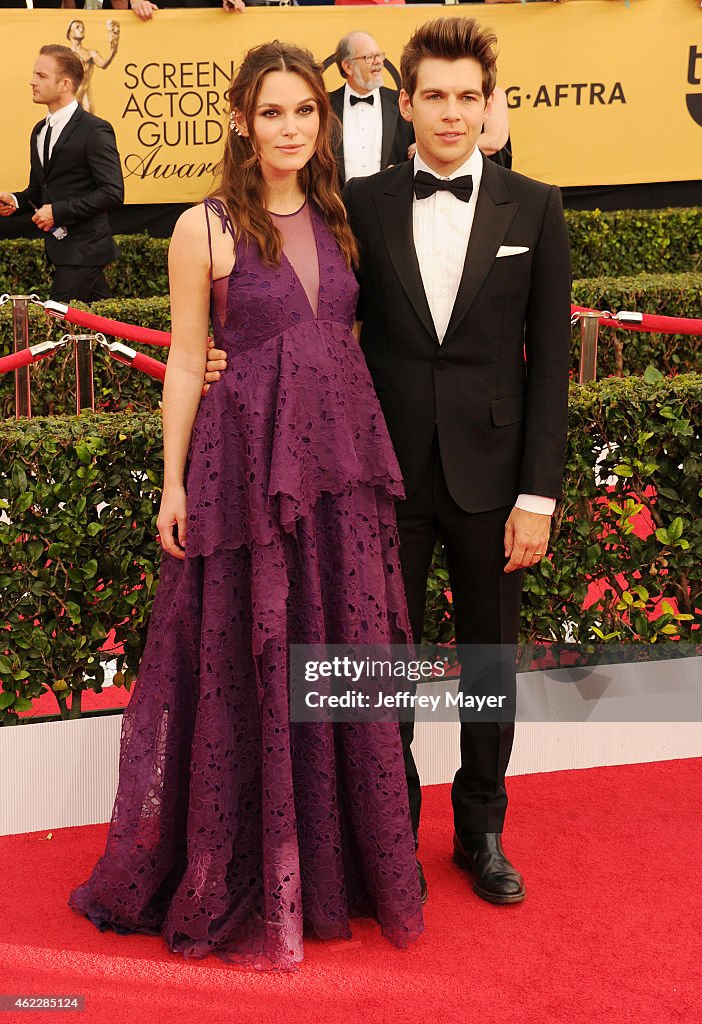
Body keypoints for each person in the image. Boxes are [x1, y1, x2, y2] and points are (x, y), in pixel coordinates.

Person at [68, 40, 424, 971]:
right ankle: (248, 869)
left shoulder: (343, 221)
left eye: (304, 111)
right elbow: (188, 358)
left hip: (340, 472)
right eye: (273, 112)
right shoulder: (205, 227)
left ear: (324, 117)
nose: (291, 128)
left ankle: (333, 865)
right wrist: (174, 481)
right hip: (245, 472)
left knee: (339, 646)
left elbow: (340, 341)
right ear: (240, 119)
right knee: (248, 653)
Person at [207, 17, 571, 907]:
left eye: (468, 97)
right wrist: (227, 354)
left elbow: (552, 360)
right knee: (382, 668)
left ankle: (481, 832)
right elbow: (297, 300)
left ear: (490, 106)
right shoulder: (356, 204)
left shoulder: (538, 204)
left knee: (488, 666)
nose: (452, 113)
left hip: (494, 482)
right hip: (378, 477)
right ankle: (389, 836)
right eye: (434, 96)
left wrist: (539, 496)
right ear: (401, 103)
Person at [0, 45, 123, 304]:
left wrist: (57, 212)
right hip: (64, 251)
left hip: (85, 250)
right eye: (34, 74)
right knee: (102, 325)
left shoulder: (95, 130)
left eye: (41, 76)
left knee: (57, 325)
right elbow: (39, 189)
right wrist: (17, 200)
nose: (32, 81)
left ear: (65, 84)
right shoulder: (39, 131)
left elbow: (112, 193)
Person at [328, 32, 414, 186]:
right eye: (369, 57)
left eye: (379, 56)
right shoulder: (325, 106)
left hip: (389, 204)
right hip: (337, 206)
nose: (379, 62)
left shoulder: (402, 102)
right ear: (348, 66)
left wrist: (420, 148)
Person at [66, 19, 120, 114]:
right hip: (69, 96)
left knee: (89, 125)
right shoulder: (64, 54)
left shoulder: (91, 53)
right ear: (69, 33)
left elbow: (103, 64)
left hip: (85, 96)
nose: (81, 29)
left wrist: (113, 51)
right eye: (77, 27)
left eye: (83, 28)